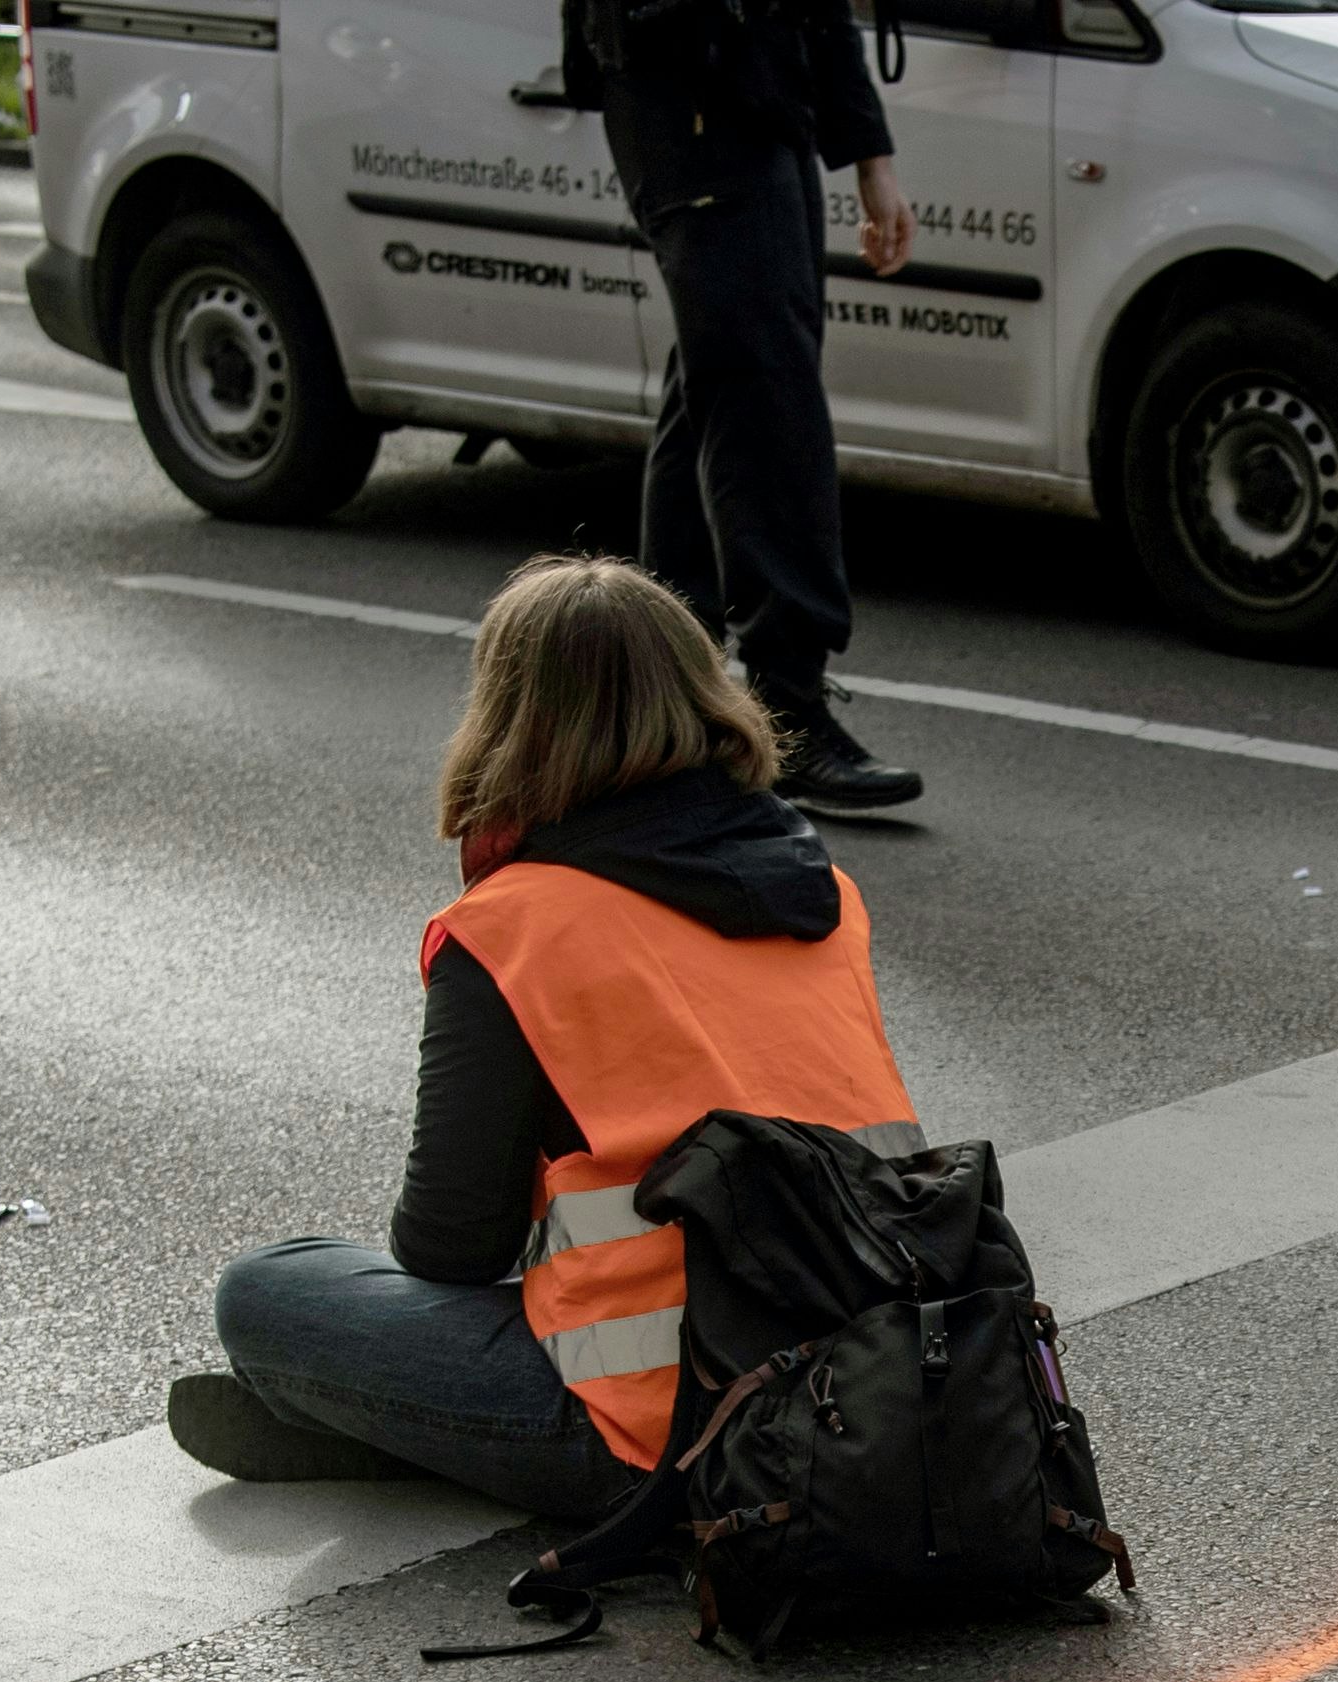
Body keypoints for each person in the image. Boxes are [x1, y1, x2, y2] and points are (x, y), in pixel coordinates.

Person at [169, 557, 925, 1514]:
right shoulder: (825, 898)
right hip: (865, 1386)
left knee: (266, 1291)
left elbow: (450, 1246)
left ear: (508, 720)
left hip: (660, 1433)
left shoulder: (514, 928)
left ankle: (386, 1425)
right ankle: (399, 1423)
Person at [563, 0, 925, 810]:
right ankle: (782, 710)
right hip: (684, 86)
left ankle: (669, 706)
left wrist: (870, 156)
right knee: (764, 400)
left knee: (721, 387)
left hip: (758, 88)